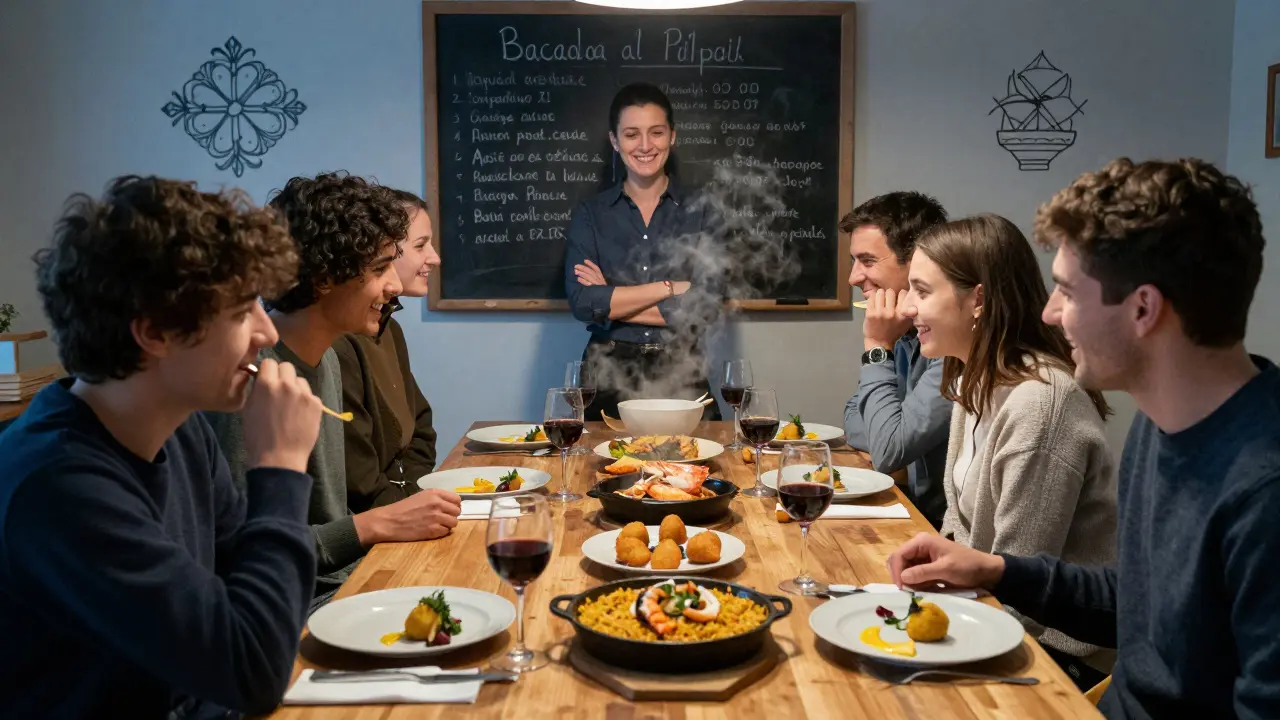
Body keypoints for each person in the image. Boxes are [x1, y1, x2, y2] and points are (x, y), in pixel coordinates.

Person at [887, 158, 1280, 718]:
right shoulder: (1161, 422)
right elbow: (1136, 603)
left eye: (1068, 292)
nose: (1049, 312)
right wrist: (996, 570)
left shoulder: (1263, 490)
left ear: (1143, 308)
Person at [0, 176, 321, 717]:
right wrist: (282, 467)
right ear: (155, 332)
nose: (267, 333)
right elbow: (251, 671)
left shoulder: (183, 428)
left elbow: (247, 599)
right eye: (244, 310)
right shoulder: (58, 486)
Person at [206, 172, 461, 611]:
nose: (395, 287)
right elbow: (242, 555)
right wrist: (371, 525)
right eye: (380, 268)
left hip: (341, 582)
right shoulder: (253, 382)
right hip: (295, 608)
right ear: (326, 277)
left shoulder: (323, 359)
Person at [902, 213, 1117, 687]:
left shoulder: (1042, 403)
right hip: (993, 620)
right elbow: (959, 534)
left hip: (1058, 654)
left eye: (921, 291)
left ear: (977, 298)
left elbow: (1022, 582)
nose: (907, 308)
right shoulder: (970, 378)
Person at [565, 81, 723, 421]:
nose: (645, 146)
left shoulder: (703, 211)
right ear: (614, 140)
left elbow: (706, 306)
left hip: (683, 367)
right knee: (600, 472)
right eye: (632, 134)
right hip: (605, 373)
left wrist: (610, 302)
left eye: (656, 132)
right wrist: (669, 288)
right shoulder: (591, 215)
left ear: (672, 136)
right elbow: (583, 302)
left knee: (697, 469)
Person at [841, 192, 953, 528]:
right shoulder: (905, 332)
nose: (853, 278)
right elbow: (853, 417)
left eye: (868, 261)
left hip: (945, 534)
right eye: (853, 261)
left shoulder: (953, 342)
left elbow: (887, 449)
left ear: (918, 259)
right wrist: (887, 431)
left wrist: (876, 344)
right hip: (914, 515)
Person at [333, 189, 441, 513]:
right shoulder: (339, 347)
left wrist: (412, 493)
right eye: (421, 245)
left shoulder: (390, 327)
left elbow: (420, 427)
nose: (434, 257)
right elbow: (359, 482)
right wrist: (407, 507)